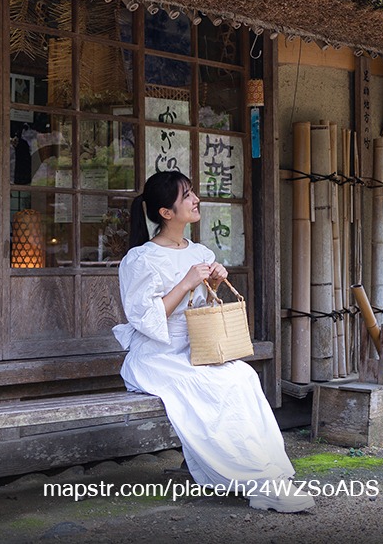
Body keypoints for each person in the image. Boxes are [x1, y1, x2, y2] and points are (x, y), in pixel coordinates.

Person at [113, 170, 314, 513]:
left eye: (193, 193)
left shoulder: (199, 251)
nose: (196, 200)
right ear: (166, 212)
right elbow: (145, 319)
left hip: (195, 346)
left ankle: (270, 476)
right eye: (187, 196)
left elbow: (202, 308)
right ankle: (254, 482)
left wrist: (213, 283)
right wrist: (187, 281)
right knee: (207, 387)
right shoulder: (140, 259)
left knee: (242, 378)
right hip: (156, 355)